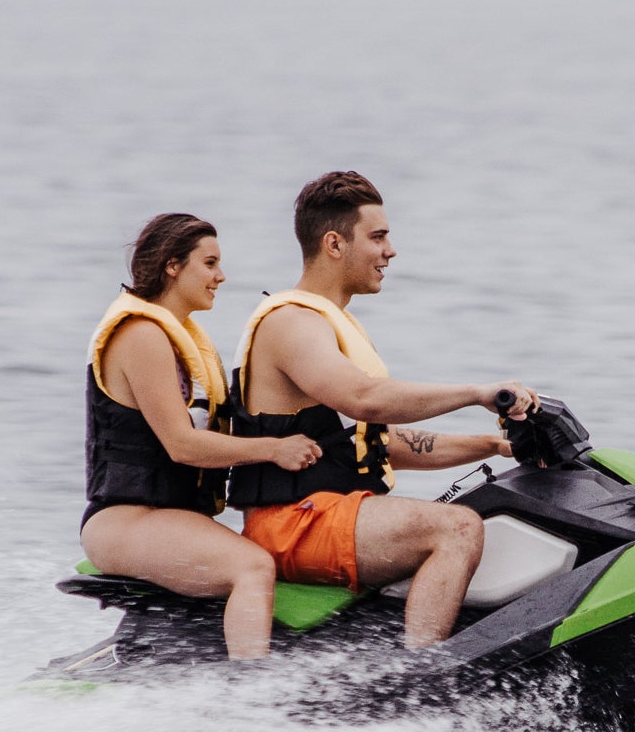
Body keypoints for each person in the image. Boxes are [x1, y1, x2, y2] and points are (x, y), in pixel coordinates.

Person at [229, 171, 539, 647]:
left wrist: (495, 446)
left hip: (327, 512)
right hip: (294, 522)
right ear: (334, 243)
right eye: (377, 237)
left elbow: (380, 443)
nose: (390, 251)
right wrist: (477, 392)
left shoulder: (332, 324)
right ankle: (424, 681)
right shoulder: (291, 323)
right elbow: (365, 399)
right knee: (457, 528)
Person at [81, 213, 322, 659]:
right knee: (251, 567)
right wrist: (274, 450)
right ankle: (252, 699)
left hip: (165, 517)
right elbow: (182, 444)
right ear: (173, 266)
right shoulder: (142, 334)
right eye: (209, 263)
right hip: (125, 518)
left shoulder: (179, 338)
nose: (221, 276)